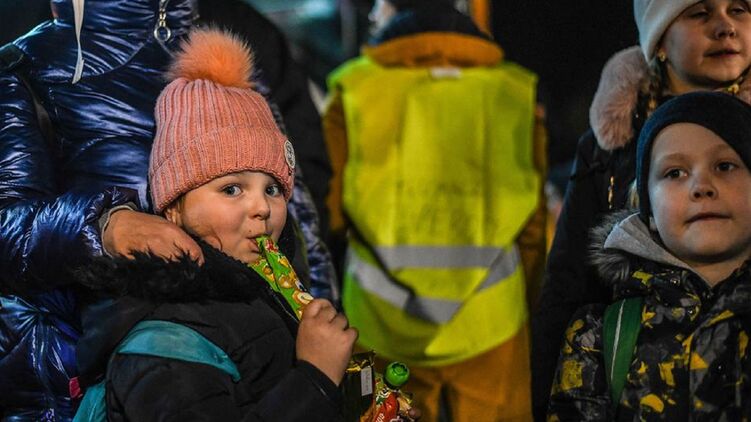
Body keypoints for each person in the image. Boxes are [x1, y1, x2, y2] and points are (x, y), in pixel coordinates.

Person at [0, 0, 335, 419]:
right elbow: (7, 228)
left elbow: (297, 216)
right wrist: (103, 226)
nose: (260, 207)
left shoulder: (223, 58)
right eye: (232, 189)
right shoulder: (31, 65)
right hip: (80, 378)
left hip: (255, 356)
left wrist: (324, 350)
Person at [73, 28, 354, 421]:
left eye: (272, 188)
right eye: (232, 189)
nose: (262, 207)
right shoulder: (164, 341)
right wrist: (316, 378)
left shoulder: (263, 292)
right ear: (174, 209)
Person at [323, 0, 547, 420]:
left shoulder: (354, 87)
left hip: (379, 320)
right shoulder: (513, 90)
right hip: (491, 322)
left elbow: (330, 213)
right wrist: (528, 302)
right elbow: (533, 229)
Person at [532, 1, 751, 418]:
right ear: (659, 40)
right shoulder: (609, 147)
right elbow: (569, 283)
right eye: (699, 13)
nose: (724, 27)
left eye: (738, 9)